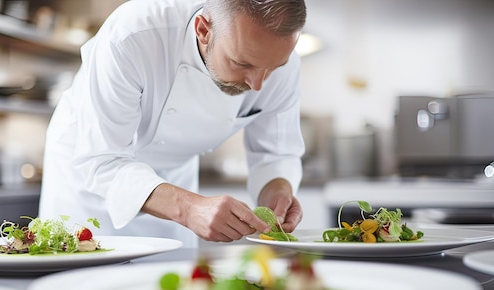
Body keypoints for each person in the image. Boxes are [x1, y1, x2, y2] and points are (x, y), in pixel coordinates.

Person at [39, 0, 307, 247]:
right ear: (203, 30)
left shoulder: (280, 62)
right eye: (241, 63)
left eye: (273, 68)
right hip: (88, 183)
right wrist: (189, 208)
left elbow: (276, 152)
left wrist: (277, 191)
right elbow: (102, 159)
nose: (258, 84)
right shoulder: (133, 35)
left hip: (176, 182)